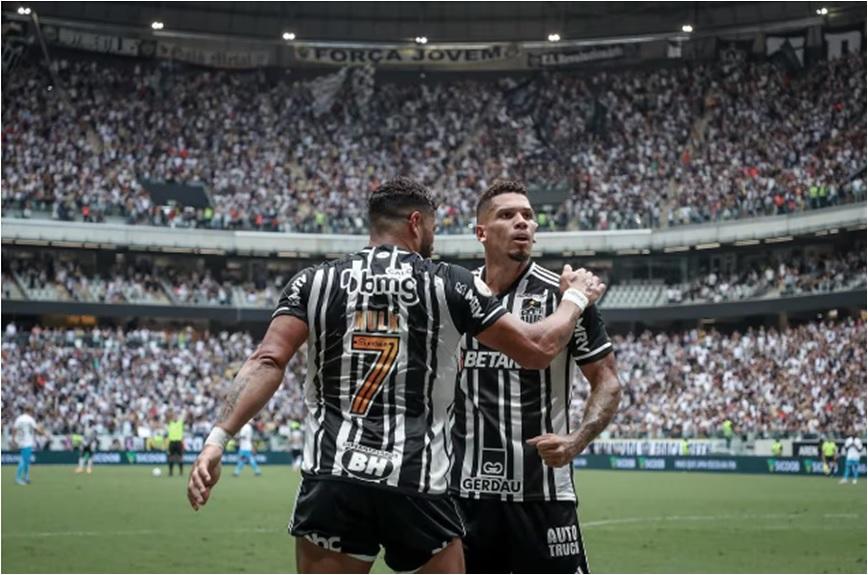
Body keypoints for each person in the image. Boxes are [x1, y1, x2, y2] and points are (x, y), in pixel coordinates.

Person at [187, 177, 606, 574]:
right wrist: (573, 298)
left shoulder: (313, 282)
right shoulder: (449, 283)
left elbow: (267, 361)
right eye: (434, 228)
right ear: (416, 223)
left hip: (335, 477)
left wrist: (217, 439)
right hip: (417, 480)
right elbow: (535, 351)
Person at [450, 180, 622, 574]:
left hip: (543, 495)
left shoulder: (562, 298)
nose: (522, 222)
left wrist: (577, 440)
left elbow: (607, 380)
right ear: (480, 232)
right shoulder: (458, 296)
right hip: (464, 495)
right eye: (507, 215)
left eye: (528, 215)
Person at [13, 410, 43, 485]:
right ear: (30, 411)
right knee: (24, 460)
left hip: (21, 441)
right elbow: (37, 430)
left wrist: (13, 439)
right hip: (27, 442)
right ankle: (18, 478)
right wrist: (44, 432)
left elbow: (14, 429)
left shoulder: (19, 418)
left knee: (26, 461)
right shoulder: (30, 419)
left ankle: (26, 477)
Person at [166, 409, 185, 477]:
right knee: (171, 457)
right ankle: (170, 472)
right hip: (172, 442)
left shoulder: (180, 423)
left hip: (178, 442)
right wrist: (171, 412)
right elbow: (167, 416)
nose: (175, 417)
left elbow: (184, 417)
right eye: (174, 416)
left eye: (176, 416)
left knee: (179, 457)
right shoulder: (170, 423)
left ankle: (181, 472)